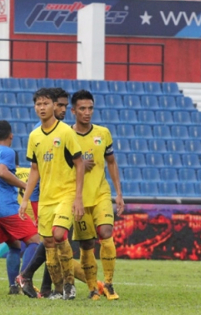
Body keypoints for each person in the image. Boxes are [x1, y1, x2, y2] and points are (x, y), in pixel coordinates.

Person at [20, 87, 85, 300]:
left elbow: (79, 163)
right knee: (48, 243)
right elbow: (35, 170)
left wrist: (78, 197)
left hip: (65, 195)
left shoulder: (65, 131)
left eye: (46, 104)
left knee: (59, 236)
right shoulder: (34, 136)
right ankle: (57, 290)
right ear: (35, 107)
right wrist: (26, 199)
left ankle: (69, 284)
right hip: (46, 199)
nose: (42, 107)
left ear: (52, 106)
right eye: (38, 104)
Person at [70, 89, 124, 300]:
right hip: (79, 198)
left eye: (90, 108)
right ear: (73, 111)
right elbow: (60, 167)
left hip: (101, 193)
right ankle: (93, 287)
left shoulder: (103, 133)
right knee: (86, 245)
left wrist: (119, 193)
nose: (87, 112)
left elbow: (111, 162)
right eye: (82, 108)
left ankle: (109, 283)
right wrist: (79, 165)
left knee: (106, 232)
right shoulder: (66, 136)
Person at [0, 121, 41, 298]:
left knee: (14, 246)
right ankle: (24, 279)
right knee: (35, 241)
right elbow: (1, 171)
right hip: (5, 206)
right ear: (11, 136)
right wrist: (25, 185)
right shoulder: (8, 151)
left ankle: (13, 286)